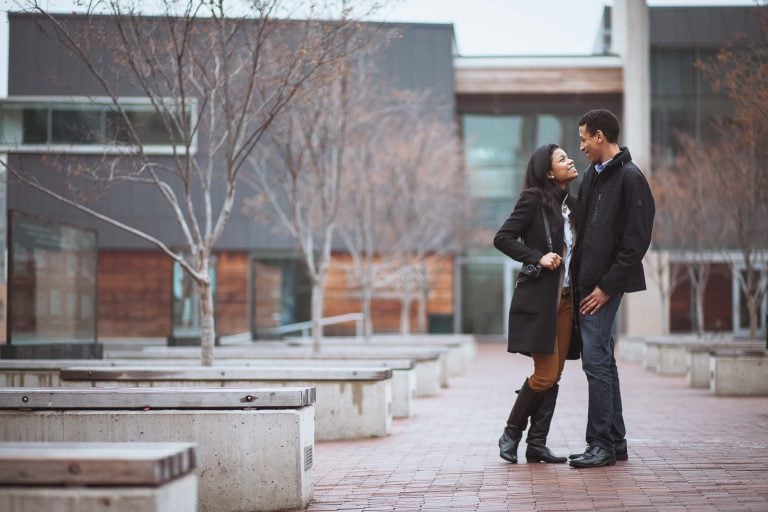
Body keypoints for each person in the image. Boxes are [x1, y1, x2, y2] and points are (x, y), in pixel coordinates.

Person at [568, 109, 655, 468]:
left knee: (596, 363)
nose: (582, 146)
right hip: (587, 284)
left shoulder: (632, 179)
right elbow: (582, 226)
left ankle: (600, 444)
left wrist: (606, 287)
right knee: (602, 360)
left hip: (603, 288)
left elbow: (635, 244)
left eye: (585, 138)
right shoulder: (592, 176)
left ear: (600, 136)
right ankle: (614, 442)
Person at [493, 143, 580, 464]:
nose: (570, 160)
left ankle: (537, 444)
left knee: (554, 374)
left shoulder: (572, 204)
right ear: (547, 171)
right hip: (543, 300)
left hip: (569, 301)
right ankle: (511, 432)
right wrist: (537, 257)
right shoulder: (533, 199)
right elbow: (503, 238)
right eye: (562, 158)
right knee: (544, 374)